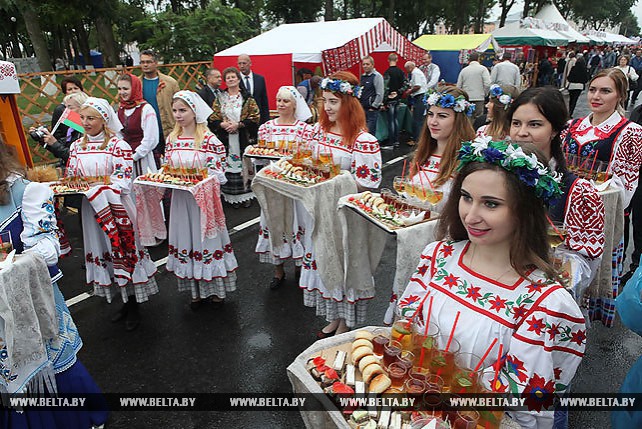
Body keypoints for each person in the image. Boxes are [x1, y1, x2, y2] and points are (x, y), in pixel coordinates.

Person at [397, 140, 585, 429]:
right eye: (466, 197)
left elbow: (523, 407)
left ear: (525, 211)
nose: (471, 216)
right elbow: (406, 333)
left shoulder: (543, 303)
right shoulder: (438, 256)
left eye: (491, 203)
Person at [0, 139, 108, 428]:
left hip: (32, 300)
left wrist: (12, 260)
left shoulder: (26, 192)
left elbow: (49, 249)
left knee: (53, 364)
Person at [301, 71, 382, 338]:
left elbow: (368, 183)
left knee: (345, 263)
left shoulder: (362, 140)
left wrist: (333, 182)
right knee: (326, 260)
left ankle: (345, 322)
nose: (327, 107)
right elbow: (306, 164)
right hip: (320, 211)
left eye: (334, 101)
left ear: (349, 103)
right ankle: (333, 316)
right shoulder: (317, 131)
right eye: (325, 101)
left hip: (346, 213)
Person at [67, 97, 158, 331]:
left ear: (104, 120)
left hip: (116, 208)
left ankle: (135, 304)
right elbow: (71, 176)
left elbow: (122, 180)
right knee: (105, 252)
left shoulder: (119, 146)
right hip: (91, 210)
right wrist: (77, 186)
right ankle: (124, 300)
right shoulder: (77, 146)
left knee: (123, 250)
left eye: (91, 118)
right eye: (83, 118)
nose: (85, 123)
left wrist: (96, 188)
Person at [561, 69, 642, 323]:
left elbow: (624, 188)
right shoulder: (573, 126)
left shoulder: (630, 132)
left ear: (620, 95)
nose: (596, 96)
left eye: (605, 91)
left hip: (598, 216)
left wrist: (585, 190)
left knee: (584, 277)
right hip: (563, 211)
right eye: (593, 89)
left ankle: (575, 327)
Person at [509, 86, 605, 267]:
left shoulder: (578, 192)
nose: (521, 132)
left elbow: (585, 264)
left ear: (554, 130)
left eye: (534, 124)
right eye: (516, 123)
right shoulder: (497, 174)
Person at [163, 90, 238, 309]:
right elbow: (167, 168)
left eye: (182, 110)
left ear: (194, 112)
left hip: (202, 202)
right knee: (187, 240)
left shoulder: (208, 140)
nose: (178, 115)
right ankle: (195, 290)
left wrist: (199, 181)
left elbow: (218, 175)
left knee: (206, 241)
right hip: (181, 200)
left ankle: (215, 290)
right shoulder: (172, 138)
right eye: (175, 110)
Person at [254, 86, 312, 289]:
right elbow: (260, 155)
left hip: (295, 187)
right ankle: (278, 270)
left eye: (285, 101)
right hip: (273, 186)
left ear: (295, 104)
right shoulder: (267, 127)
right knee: (274, 223)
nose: (280, 104)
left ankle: (299, 266)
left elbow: (309, 158)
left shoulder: (305, 129)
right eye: (278, 100)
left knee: (297, 223)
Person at [409, 84, 475, 211]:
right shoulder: (423, 153)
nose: (433, 122)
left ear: (458, 120)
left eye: (442, 116)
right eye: (430, 114)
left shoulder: (467, 160)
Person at [211, 67, 260, 207]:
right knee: (228, 164)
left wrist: (239, 125)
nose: (231, 79)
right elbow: (213, 117)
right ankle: (231, 196)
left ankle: (246, 195)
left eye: (233, 77)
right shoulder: (220, 98)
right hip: (226, 138)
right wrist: (222, 124)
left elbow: (255, 117)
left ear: (238, 79)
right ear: (225, 81)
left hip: (242, 137)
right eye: (228, 78)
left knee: (244, 163)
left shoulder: (247, 98)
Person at [116, 73, 159, 177]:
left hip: (143, 158)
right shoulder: (121, 110)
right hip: (126, 159)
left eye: (125, 89)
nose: (122, 92)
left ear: (134, 88)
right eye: (119, 89)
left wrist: (135, 156)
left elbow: (151, 139)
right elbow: (118, 134)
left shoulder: (146, 109)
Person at [140, 49, 180, 158]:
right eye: (142, 62)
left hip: (168, 130)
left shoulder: (170, 83)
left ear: (156, 63)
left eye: (148, 62)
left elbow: (180, 106)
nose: (145, 65)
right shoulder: (137, 85)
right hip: (146, 132)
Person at [32, 91, 88, 169]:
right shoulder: (72, 129)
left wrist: (54, 144)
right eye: (66, 107)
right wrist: (44, 139)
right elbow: (60, 151)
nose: (66, 111)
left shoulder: (87, 131)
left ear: (83, 109)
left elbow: (75, 157)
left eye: (70, 108)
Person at [456, 52, 491, 120]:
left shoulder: (464, 70)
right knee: (478, 118)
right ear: (478, 59)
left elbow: (458, 86)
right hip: (479, 97)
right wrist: (485, 93)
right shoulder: (483, 69)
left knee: (467, 117)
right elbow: (488, 83)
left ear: (469, 60)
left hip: (467, 97)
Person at [382, 53, 407, 148]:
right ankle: (396, 140)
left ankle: (391, 142)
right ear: (397, 60)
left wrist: (384, 100)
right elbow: (406, 85)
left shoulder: (387, 72)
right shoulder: (401, 72)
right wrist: (398, 92)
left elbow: (385, 87)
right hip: (398, 99)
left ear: (388, 60)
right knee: (395, 120)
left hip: (389, 99)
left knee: (390, 121)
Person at [237, 54, 270, 125]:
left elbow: (264, 101)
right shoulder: (236, 80)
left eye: (244, 63)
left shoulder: (260, 79)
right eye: (239, 63)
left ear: (250, 63)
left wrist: (266, 121)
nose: (242, 66)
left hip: (258, 118)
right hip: (242, 120)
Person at [51, 76, 84, 143]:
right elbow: (56, 133)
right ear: (65, 92)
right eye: (69, 89)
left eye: (76, 88)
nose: (73, 91)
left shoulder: (89, 104)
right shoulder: (61, 109)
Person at [359, 55, 384, 136]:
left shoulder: (377, 76)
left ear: (372, 65)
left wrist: (374, 106)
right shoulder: (363, 76)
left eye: (367, 64)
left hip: (371, 110)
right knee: (363, 132)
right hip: (363, 109)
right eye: (364, 64)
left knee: (370, 133)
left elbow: (380, 93)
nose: (365, 66)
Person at [404, 61, 428, 145]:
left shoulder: (415, 73)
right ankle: (419, 139)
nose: (407, 71)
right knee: (419, 119)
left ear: (409, 67)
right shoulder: (417, 72)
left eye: (406, 69)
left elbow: (417, 86)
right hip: (420, 97)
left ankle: (416, 140)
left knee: (417, 119)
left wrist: (409, 91)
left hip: (419, 97)